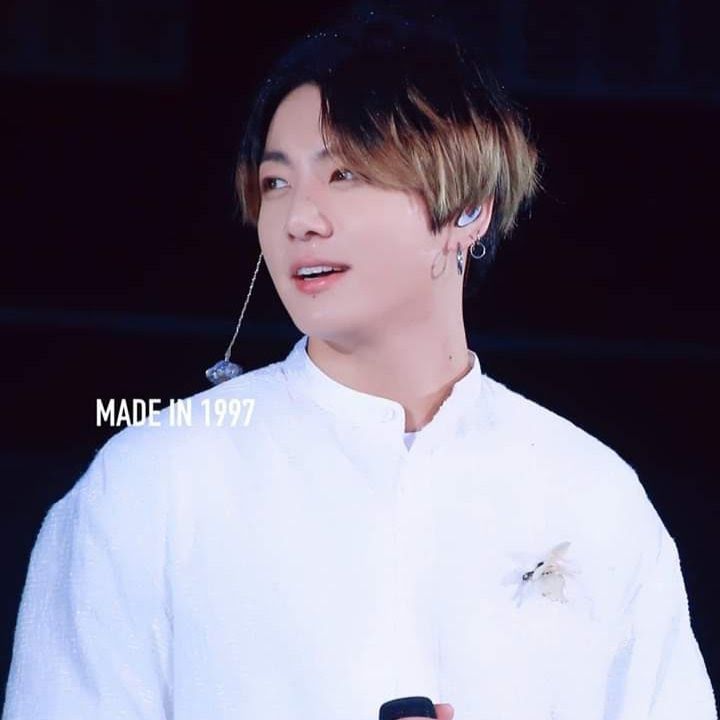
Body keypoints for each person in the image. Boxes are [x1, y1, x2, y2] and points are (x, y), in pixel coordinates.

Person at [2, 8, 716, 720]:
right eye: (276, 183)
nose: (299, 219)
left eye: (344, 174)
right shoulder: (151, 482)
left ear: (468, 211)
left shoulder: (592, 492)